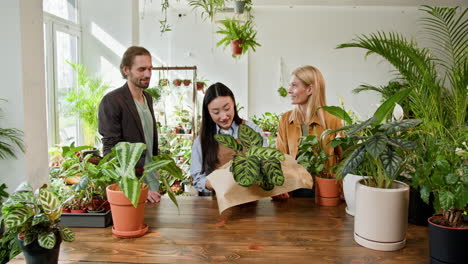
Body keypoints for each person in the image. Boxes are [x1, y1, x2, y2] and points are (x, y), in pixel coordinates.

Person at [98, 46, 161, 203]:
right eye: (141, 69)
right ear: (126, 70)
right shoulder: (112, 101)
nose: (147, 74)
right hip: (131, 189)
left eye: (149, 68)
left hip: (152, 183)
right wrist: (136, 188)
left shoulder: (148, 97)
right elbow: (110, 152)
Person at [276, 65, 343, 198]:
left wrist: (341, 188)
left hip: (326, 192)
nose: (289, 91)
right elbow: (279, 157)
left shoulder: (333, 120)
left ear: (309, 89)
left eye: (294, 85)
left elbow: (343, 159)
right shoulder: (285, 120)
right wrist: (279, 187)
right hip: (292, 194)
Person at [190, 82, 268, 195]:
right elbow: (198, 179)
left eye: (227, 108)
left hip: (251, 200)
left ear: (234, 105)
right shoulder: (202, 140)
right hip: (217, 204)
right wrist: (211, 184)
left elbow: (267, 161)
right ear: (208, 113)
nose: (223, 116)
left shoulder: (252, 131)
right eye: (216, 112)